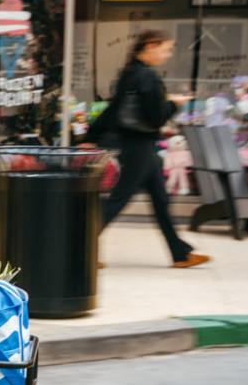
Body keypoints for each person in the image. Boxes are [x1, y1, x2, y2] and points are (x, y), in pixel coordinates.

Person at [88, 29, 209, 268]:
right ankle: (77, 246)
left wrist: (92, 134)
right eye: (166, 49)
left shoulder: (130, 73)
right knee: (119, 199)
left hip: (137, 145)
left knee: (160, 199)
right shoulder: (147, 77)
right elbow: (156, 118)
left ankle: (180, 254)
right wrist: (174, 104)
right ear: (151, 46)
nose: (168, 55)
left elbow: (114, 110)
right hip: (139, 145)